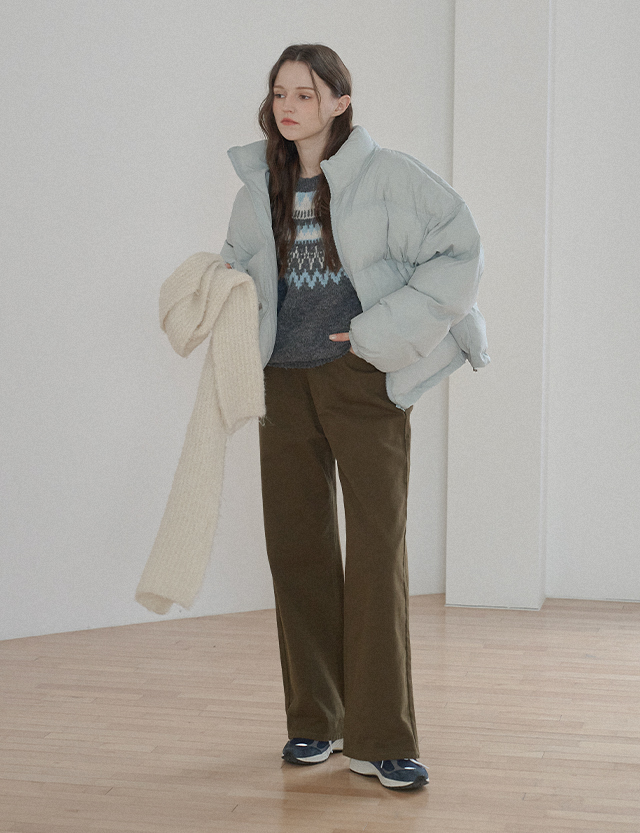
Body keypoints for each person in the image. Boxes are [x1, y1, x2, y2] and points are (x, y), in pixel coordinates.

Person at [221, 44, 488, 791]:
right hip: (282, 384)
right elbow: (239, 268)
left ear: (341, 102)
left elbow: (460, 251)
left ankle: (380, 737)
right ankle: (317, 718)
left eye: (305, 93)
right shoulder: (258, 185)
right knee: (297, 548)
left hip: (361, 380)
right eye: (280, 92)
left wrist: (378, 333)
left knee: (375, 552)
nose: (288, 106)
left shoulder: (390, 176)